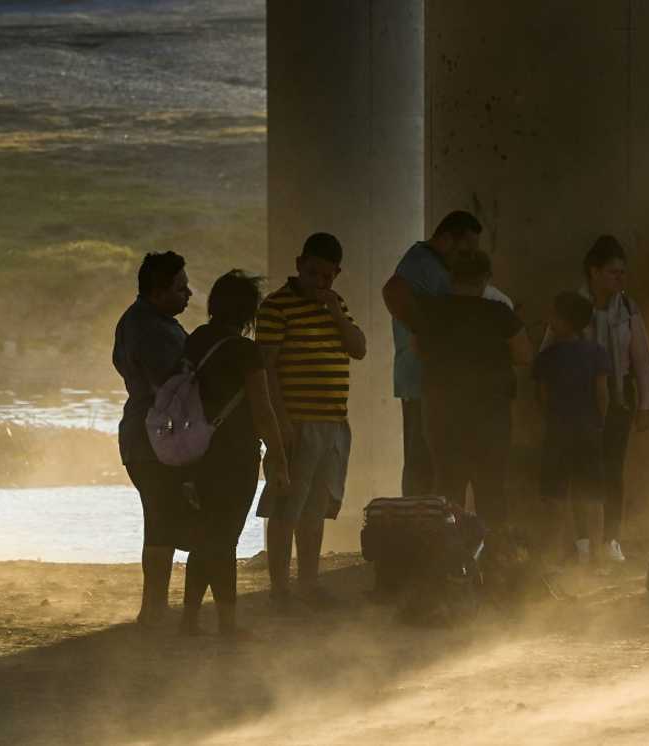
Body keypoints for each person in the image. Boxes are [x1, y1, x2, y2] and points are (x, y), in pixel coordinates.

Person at [255, 233, 366, 611]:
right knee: (287, 508)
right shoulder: (275, 308)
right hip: (297, 423)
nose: (319, 281)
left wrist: (335, 312)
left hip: (332, 423)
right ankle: (280, 591)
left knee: (315, 509)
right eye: (312, 272)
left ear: (337, 273)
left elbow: (359, 348)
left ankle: (308, 585)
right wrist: (280, 422)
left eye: (327, 275)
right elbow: (266, 369)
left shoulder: (336, 305)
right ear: (299, 263)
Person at [179, 270, 290, 636]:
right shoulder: (246, 351)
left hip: (194, 454)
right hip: (234, 456)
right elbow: (263, 410)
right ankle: (227, 623)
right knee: (225, 540)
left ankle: (190, 619)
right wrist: (279, 457)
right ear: (247, 312)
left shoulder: (195, 341)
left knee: (203, 538)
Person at [539, 235, 649, 563]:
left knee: (613, 468)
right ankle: (582, 542)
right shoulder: (572, 307)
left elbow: (643, 358)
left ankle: (611, 541)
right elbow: (548, 352)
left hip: (617, 398)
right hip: (577, 404)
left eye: (623, 273)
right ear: (593, 272)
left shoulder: (628, 308)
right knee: (580, 470)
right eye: (613, 273)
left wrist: (646, 404)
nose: (620, 279)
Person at [414, 249, 531, 526]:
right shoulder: (499, 312)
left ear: (451, 277)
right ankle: (493, 558)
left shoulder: (432, 311)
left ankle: (447, 558)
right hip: (490, 416)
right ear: (485, 279)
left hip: (443, 415)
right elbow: (524, 354)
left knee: (448, 487)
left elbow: (418, 349)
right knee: (491, 488)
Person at [113, 250, 191, 627]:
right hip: (153, 436)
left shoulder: (139, 319)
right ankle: (154, 607)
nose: (188, 294)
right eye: (181, 288)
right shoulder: (151, 328)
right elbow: (174, 384)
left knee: (161, 516)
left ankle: (155, 605)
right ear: (159, 291)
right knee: (160, 518)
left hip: (141, 433)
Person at [382, 211, 483, 496]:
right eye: (464, 251)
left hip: (433, 381)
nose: (466, 258)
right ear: (446, 239)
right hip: (420, 380)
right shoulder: (420, 260)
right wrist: (428, 335)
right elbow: (392, 291)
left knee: (435, 461)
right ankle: (416, 525)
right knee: (421, 461)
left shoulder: (433, 264)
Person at [533, 292, 611, 565]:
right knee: (592, 495)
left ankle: (554, 556)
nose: (549, 319)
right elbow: (602, 394)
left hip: (557, 432)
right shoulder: (596, 353)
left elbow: (541, 398)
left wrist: (552, 419)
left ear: (562, 321)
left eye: (554, 315)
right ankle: (598, 556)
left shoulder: (547, 357)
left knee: (555, 496)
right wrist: (599, 422)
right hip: (588, 430)